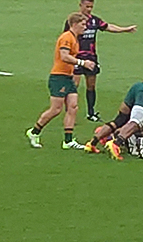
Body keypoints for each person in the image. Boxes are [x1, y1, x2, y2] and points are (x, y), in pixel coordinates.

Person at [26, 12, 95, 150]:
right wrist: (83, 63)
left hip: (68, 77)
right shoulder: (66, 38)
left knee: (73, 106)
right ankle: (34, 132)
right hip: (58, 77)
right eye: (82, 24)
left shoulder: (75, 38)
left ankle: (68, 140)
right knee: (56, 109)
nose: (85, 27)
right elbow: (64, 56)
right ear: (74, 24)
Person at [65, 0, 137, 122]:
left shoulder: (94, 20)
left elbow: (108, 27)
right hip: (76, 58)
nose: (89, 9)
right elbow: (66, 38)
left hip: (91, 58)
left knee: (91, 86)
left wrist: (124, 29)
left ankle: (91, 113)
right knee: (73, 86)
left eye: (91, 7)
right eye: (87, 6)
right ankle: (70, 113)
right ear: (80, 5)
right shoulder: (73, 21)